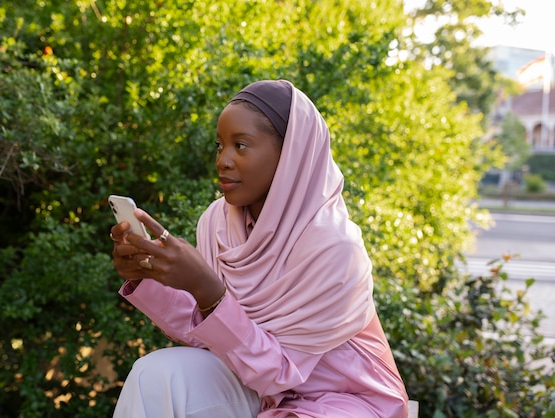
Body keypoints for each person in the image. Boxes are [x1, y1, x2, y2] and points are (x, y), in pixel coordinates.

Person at [109, 80, 409, 417]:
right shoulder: (217, 223)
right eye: (219, 145)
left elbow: (279, 371)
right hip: (260, 386)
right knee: (156, 375)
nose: (222, 160)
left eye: (240, 145)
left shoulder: (335, 246)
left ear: (290, 154)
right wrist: (153, 275)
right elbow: (214, 337)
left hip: (345, 399)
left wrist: (208, 291)